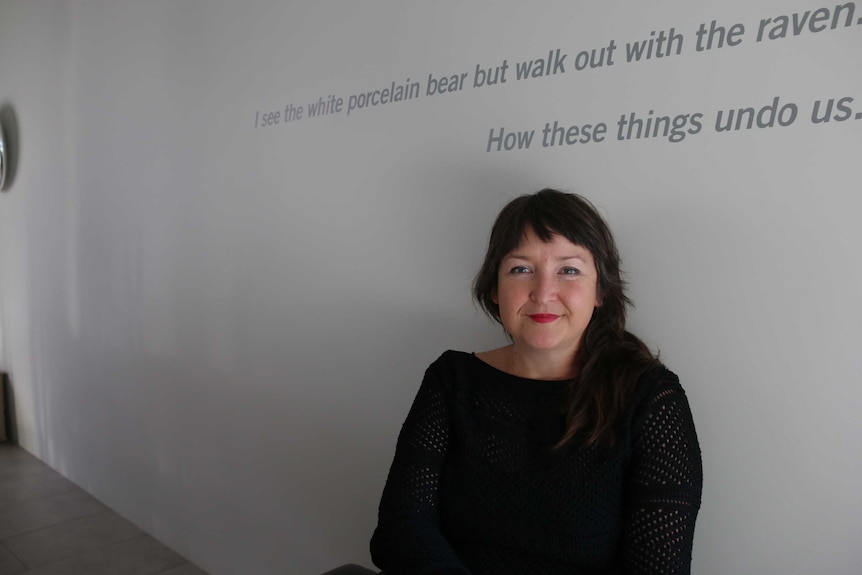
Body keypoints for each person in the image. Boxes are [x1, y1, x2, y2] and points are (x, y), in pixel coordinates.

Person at [370, 189, 702, 574]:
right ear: (494, 288)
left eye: (569, 270)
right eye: (521, 269)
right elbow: (401, 528)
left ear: (601, 291)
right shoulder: (450, 381)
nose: (544, 293)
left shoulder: (651, 400)